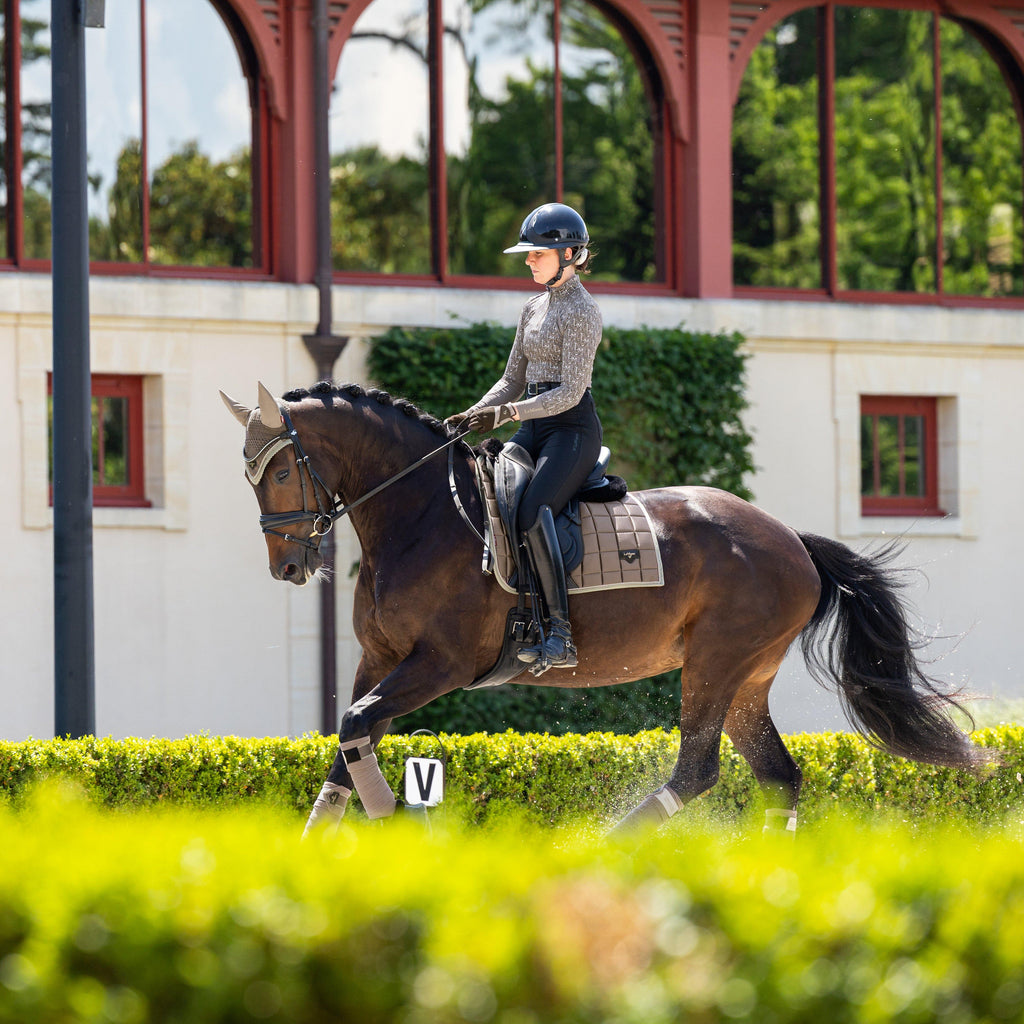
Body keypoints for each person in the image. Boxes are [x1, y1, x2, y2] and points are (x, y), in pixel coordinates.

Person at [446, 202, 604, 670]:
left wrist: (508, 412)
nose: (529, 260)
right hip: (534, 424)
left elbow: (571, 392)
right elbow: (511, 378)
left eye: (539, 253)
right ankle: (518, 615)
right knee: (494, 495)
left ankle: (560, 632)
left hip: (572, 430)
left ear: (570, 253)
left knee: (535, 510)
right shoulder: (532, 306)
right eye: (529, 253)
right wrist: (474, 412)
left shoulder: (583, 311)